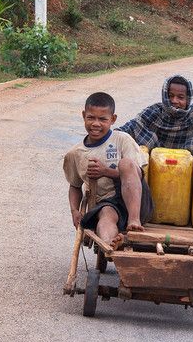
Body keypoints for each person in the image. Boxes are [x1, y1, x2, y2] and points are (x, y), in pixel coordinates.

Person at [63, 92, 153, 247]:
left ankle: (134, 221)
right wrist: (74, 211)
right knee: (105, 216)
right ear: (84, 116)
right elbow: (75, 186)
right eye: (91, 117)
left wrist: (105, 172)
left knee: (125, 164)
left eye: (102, 119)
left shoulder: (122, 139)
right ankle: (110, 244)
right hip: (108, 203)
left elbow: (134, 172)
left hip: (137, 202)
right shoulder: (75, 154)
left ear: (113, 119)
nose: (96, 124)